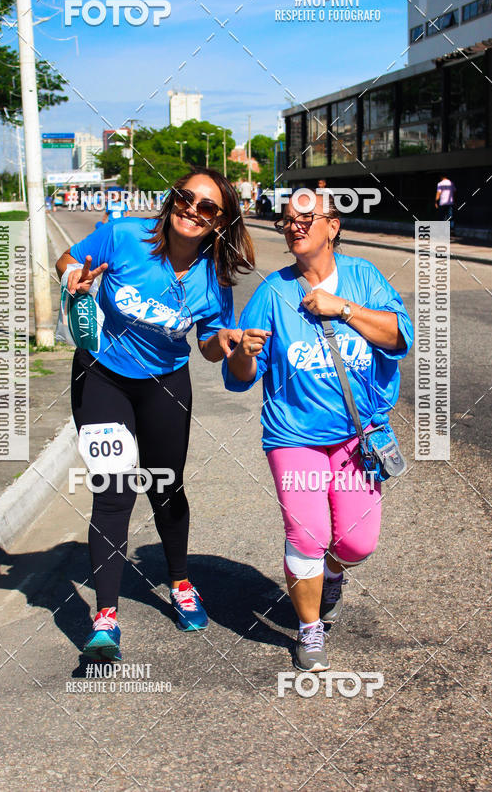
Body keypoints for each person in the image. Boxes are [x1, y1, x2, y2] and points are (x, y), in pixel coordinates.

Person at [56, 167, 255, 660]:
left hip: (165, 384)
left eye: (207, 207)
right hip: (101, 375)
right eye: (185, 197)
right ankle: (105, 620)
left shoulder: (214, 277)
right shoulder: (125, 236)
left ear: (219, 222)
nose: (192, 210)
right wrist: (73, 277)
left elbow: (207, 346)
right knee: (114, 490)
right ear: (172, 200)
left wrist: (226, 342)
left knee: (166, 487)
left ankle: (181, 582)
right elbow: (70, 258)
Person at [223, 188, 413, 672]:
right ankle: (309, 628)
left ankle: (332, 574)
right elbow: (239, 378)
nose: (295, 226)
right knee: (308, 534)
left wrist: (342, 308)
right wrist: (244, 352)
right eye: (288, 220)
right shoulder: (273, 292)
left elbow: (400, 337)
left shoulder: (364, 278)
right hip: (293, 435)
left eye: (306, 218)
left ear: (333, 226)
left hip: (357, 435)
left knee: (356, 543)